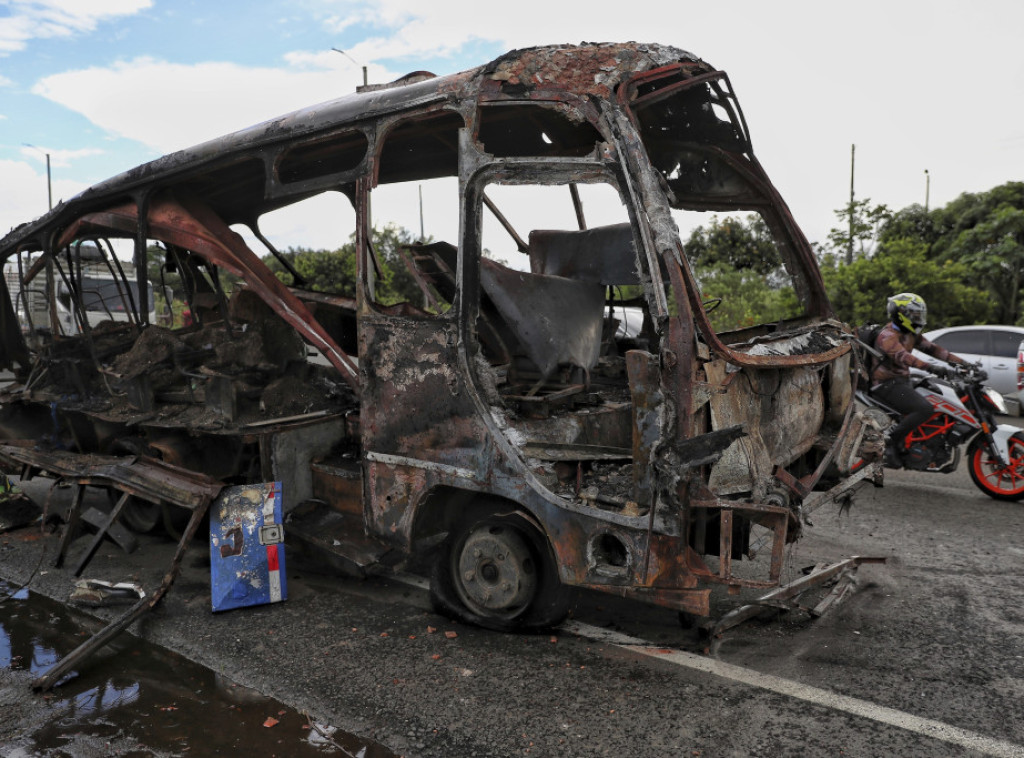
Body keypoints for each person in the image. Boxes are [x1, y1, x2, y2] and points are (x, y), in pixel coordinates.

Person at [870, 293, 969, 468]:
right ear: (901, 314)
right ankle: (891, 441)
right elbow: (904, 357)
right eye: (915, 315)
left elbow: (935, 350)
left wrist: (964, 363)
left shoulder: (910, 334)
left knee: (938, 397)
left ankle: (918, 443)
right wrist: (932, 368)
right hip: (886, 384)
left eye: (919, 315)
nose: (918, 319)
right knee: (924, 409)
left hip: (902, 381)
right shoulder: (887, 336)